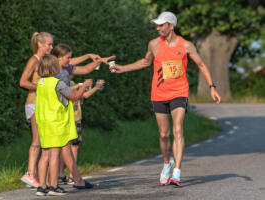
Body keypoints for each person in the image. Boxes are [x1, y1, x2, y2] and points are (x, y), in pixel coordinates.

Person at [113, 11, 221, 186]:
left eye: (161, 25)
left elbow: (201, 64)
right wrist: (123, 68)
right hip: (159, 93)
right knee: (164, 134)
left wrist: (212, 87)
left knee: (178, 129)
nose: (158, 28)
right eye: (157, 25)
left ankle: (177, 171)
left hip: (179, 92)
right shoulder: (153, 45)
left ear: (171, 26)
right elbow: (145, 62)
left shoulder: (186, 46)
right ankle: (166, 163)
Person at [52, 43, 114, 188]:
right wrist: (85, 86)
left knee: (62, 147)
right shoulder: (54, 70)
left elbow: (85, 69)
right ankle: (69, 180)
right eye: (68, 58)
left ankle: (56, 181)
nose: (70, 60)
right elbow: (73, 95)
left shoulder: (65, 68)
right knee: (60, 147)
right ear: (59, 58)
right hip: (57, 111)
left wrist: (98, 61)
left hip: (64, 112)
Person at [35, 55, 93, 196]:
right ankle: (54, 185)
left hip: (43, 122)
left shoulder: (41, 82)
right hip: (56, 122)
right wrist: (84, 86)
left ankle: (42, 187)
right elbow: (74, 97)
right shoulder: (58, 83)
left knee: (45, 155)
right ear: (54, 68)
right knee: (55, 154)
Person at [19, 32, 54, 187]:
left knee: (42, 140)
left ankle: (33, 176)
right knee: (37, 140)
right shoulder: (34, 60)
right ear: (40, 44)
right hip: (34, 103)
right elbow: (23, 82)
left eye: (52, 44)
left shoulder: (45, 60)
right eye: (49, 44)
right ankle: (29, 174)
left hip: (42, 104)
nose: (51, 47)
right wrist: (41, 87)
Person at [66, 76, 105, 184]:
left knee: (74, 146)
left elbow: (85, 95)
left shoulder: (71, 81)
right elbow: (70, 93)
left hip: (76, 118)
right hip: (70, 118)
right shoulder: (62, 81)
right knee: (70, 147)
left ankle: (70, 175)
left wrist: (96, 87)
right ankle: (70, 175)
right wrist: (81, 86)